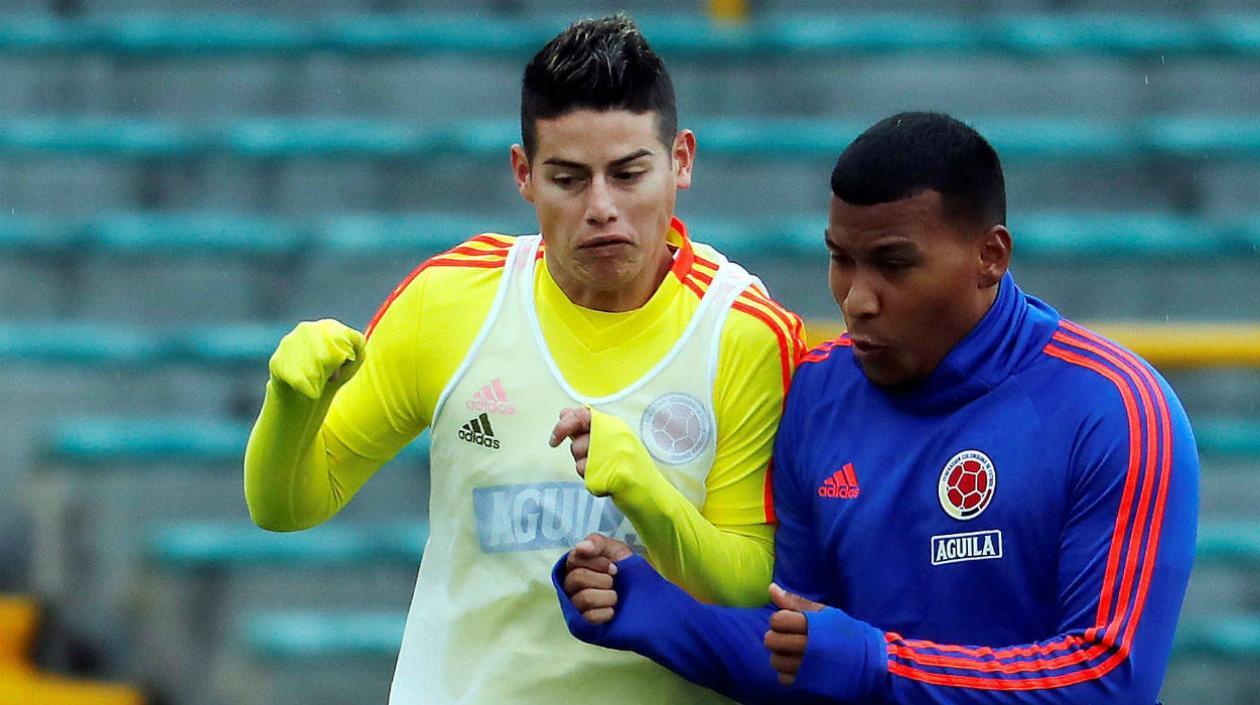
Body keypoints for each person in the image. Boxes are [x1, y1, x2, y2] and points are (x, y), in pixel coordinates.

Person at [243, 13, 805, 705]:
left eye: (629, 173)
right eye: (569, 178)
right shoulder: (451, 301)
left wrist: (644, 488)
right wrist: (293, 405)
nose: (602, 207)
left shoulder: (745, 332)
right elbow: (287, 507)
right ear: (524, 174)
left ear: (681, 160)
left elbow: (752, 582)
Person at [554, 112, 1198, 705]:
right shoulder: (818, 394)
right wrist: (655, 612)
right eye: (841, 260)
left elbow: (1108, 680)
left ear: (990, 257)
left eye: (893, 264)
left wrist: (878, 666)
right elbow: (803, 654)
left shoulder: (1114, 410)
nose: (857, 299)